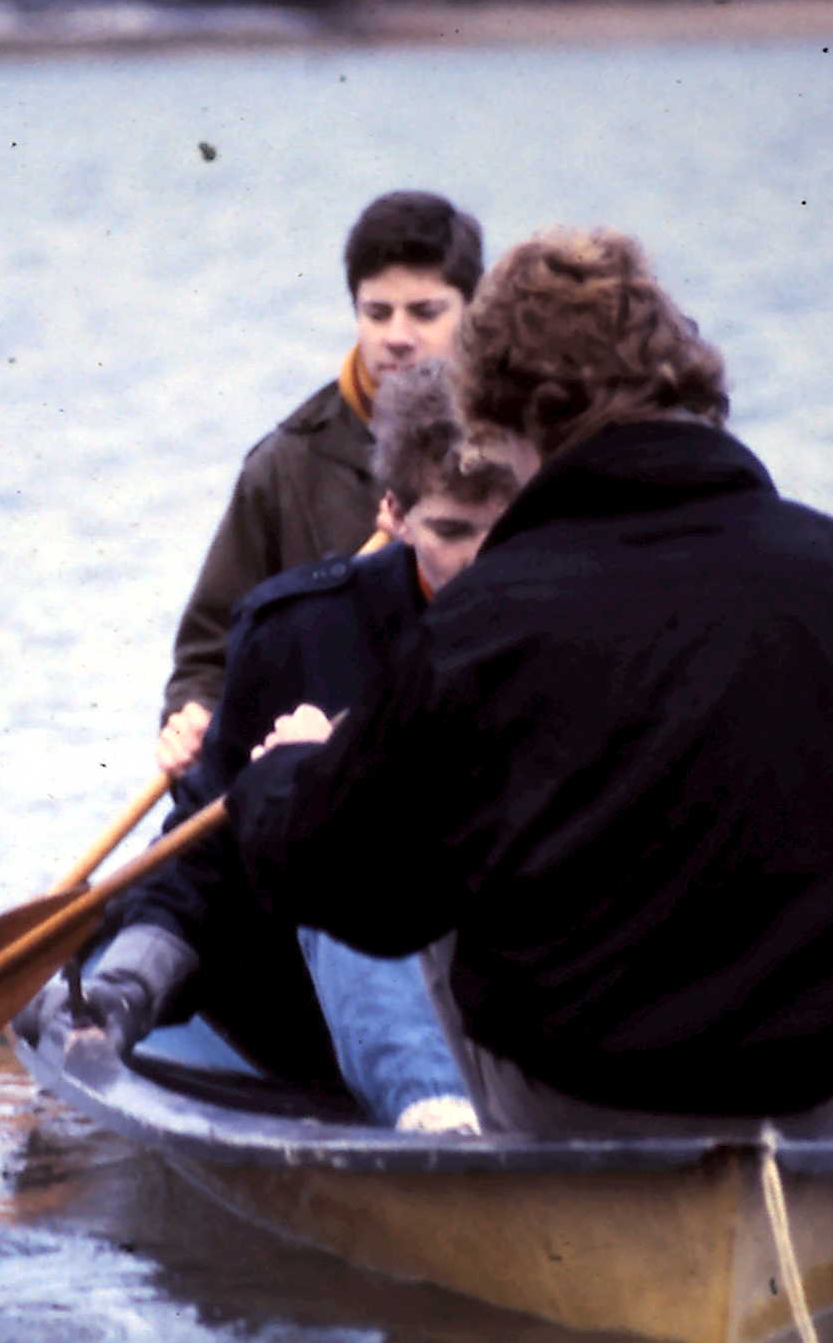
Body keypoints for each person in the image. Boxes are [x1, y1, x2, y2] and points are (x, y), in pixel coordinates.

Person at [229, 227, 833, 1137]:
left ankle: (458, 1137)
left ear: (499, 415)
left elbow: (361, 899)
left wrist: (290, 770)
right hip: (820, 1090)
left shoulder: (483, 615)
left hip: (577, 1100)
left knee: (412, 841)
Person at [29, 363, 520, 1133]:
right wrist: (126, 989)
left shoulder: (586, 620)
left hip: (527, 988)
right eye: (453, 533)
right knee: (328, 820)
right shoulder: (300, 632)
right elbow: (203, 857)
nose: (483, 564)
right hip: (334, 1005)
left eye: (511, 530)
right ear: (394, 514)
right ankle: (434, 1117)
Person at [155, 190, 485, 779]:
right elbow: (208, 655)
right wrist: (193, 714)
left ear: (474, 311)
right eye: (377, 313)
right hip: (321, 781)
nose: (397, 335)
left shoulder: (524, 447)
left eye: (424, 312)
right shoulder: (284, 465)